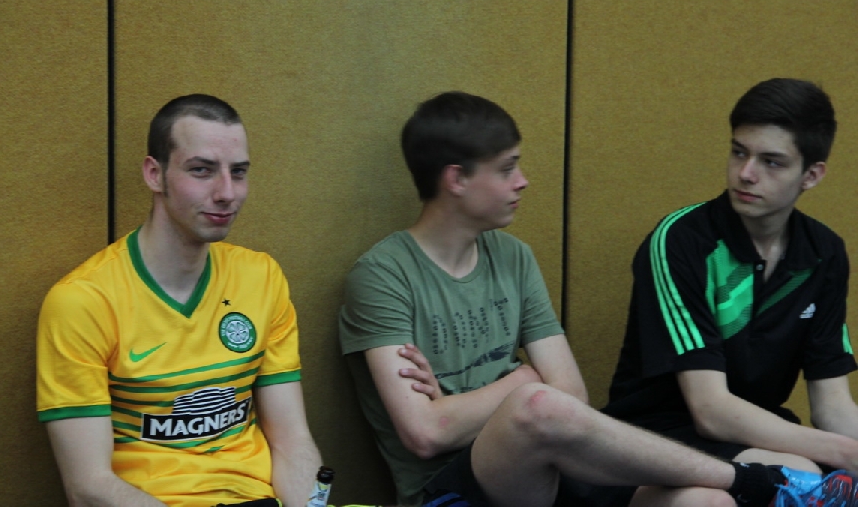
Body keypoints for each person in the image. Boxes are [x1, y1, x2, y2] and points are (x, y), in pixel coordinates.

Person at [338, 90, 858, 507]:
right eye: (507, 168)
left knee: (706, 500)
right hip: (453, 486)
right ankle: (751, 482)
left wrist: (476, 402)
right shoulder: (383, 274)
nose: (523, 181)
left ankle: (752, 484)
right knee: (535, 402)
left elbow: (572, 391)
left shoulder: (513, 256)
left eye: (770, 161)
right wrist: (522, 379)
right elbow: (427, 433)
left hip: (550, 466)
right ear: (457, 179)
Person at [37, 95, 322, 507]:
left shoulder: (262, 277)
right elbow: (88, 486)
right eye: (202, 170)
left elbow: (292, 440)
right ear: (155, 175)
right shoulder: (83, 301)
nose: (227, 193)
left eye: (238, 172)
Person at [603, 78, 858, 478]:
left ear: (811, 175)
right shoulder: (680, 240)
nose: (746, 173)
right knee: (804, 472)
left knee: (821, 471)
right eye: (739, 152)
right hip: (657, 433)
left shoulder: (823, 252)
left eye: (771, 162)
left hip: (760, 433)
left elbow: (833, 406)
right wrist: (843, 452)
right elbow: (710, 411)